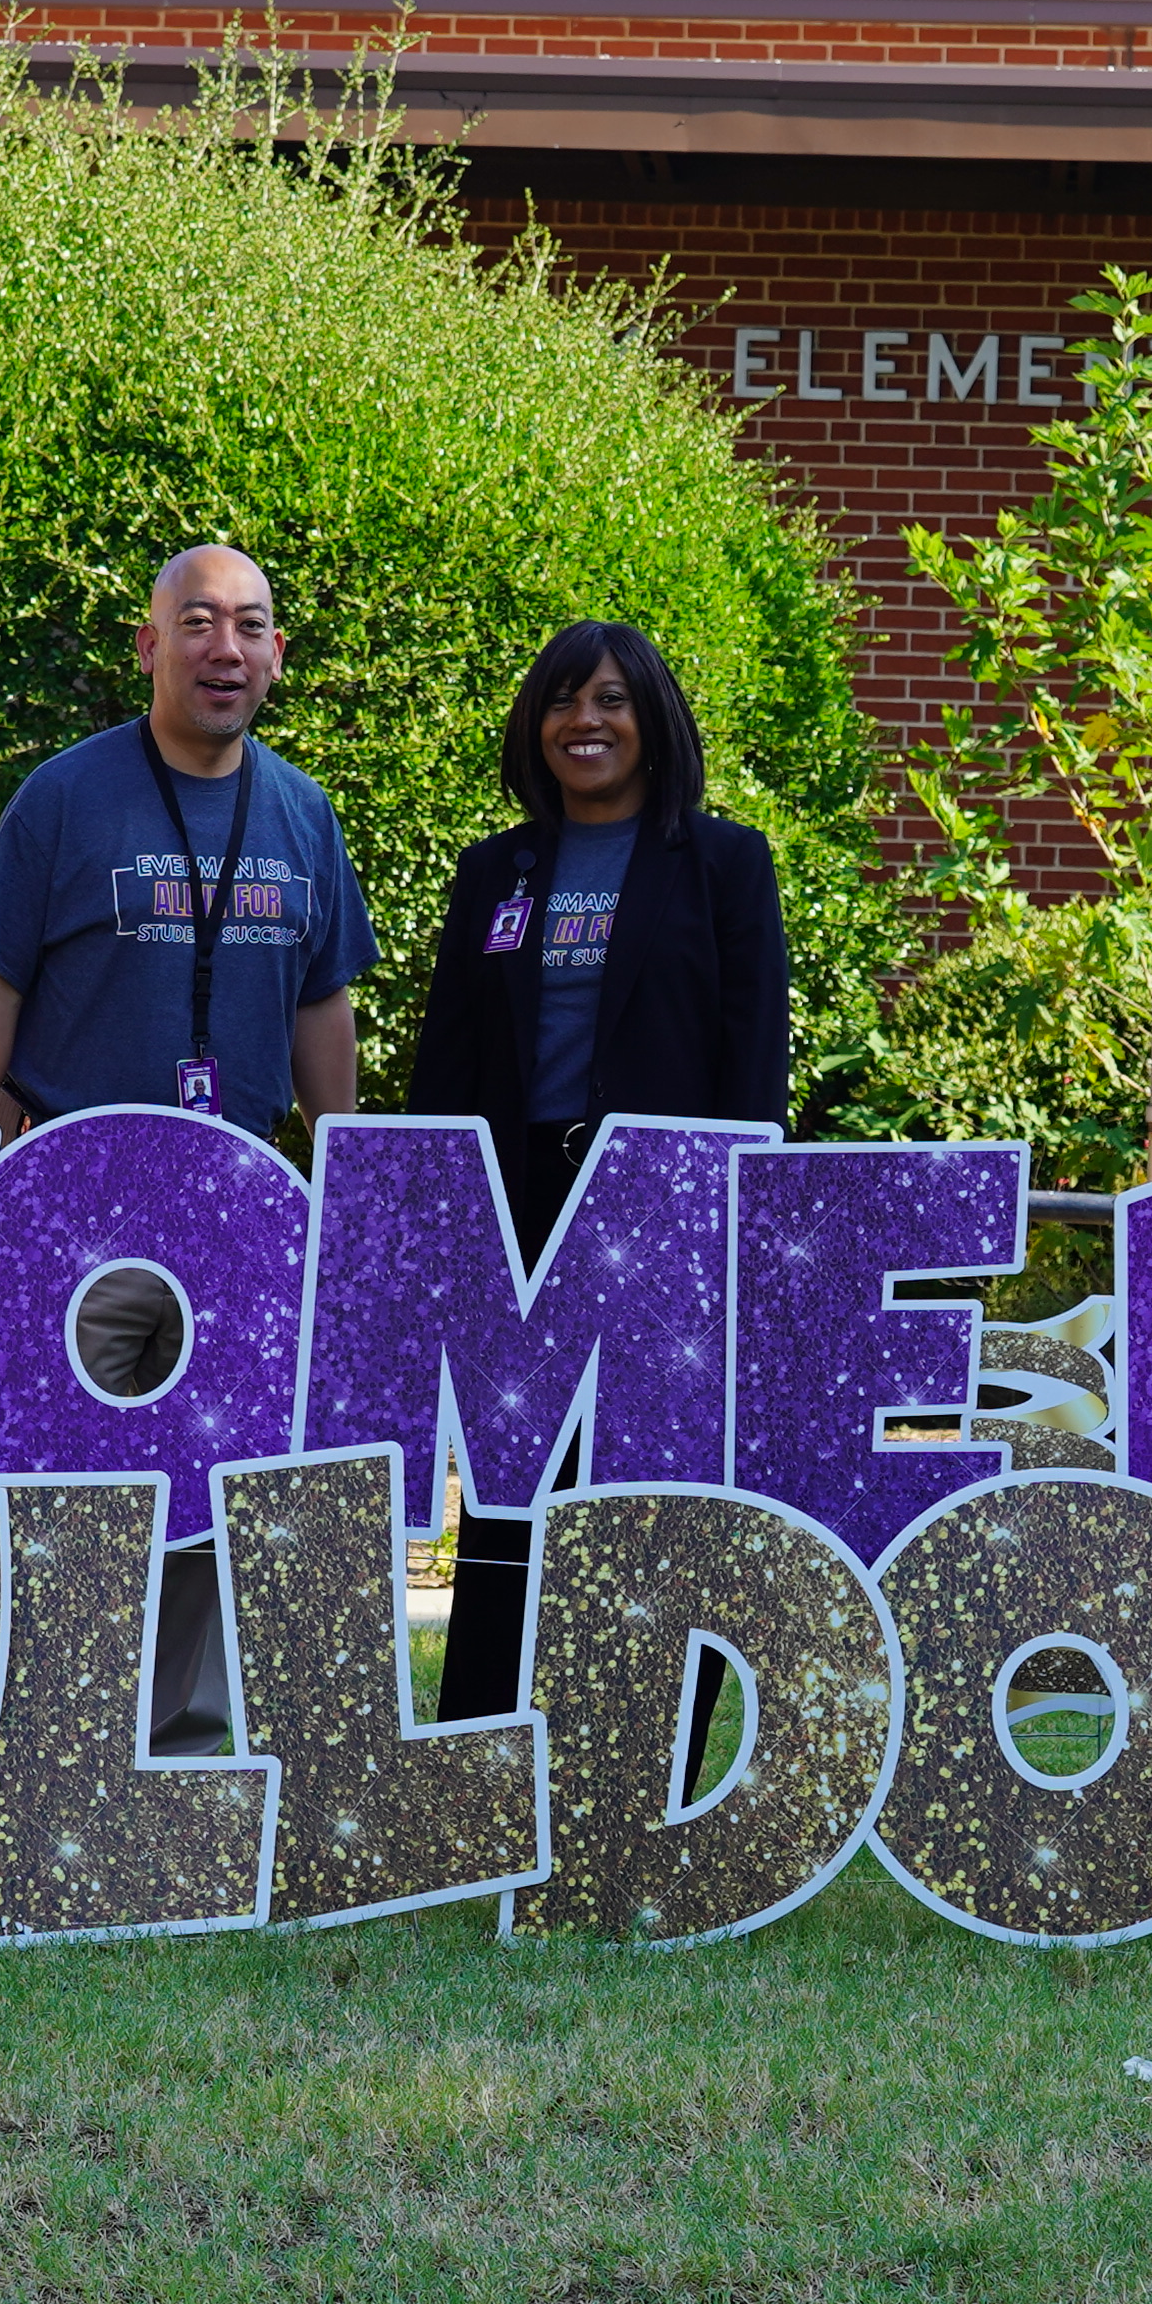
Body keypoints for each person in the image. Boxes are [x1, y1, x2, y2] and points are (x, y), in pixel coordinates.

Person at [0, 543, 375, 1747]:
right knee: (74, 1484)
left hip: (240, 1220)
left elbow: (321, 1002)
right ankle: (51, 1746)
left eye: (250, 625)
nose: (223, 648)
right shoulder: (66, 797)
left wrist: (346, 1174)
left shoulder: (301, 810)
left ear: (278, 653)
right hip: (79, 1217)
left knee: (220, 1486)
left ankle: (182, 1756)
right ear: (149, 646)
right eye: (196, 622)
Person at [403, 618, 795, 1722]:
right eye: (566, 699)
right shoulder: (498, 870)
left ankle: (637, 1738)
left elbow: (752, 1057)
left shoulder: (723, 863)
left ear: (655, 720)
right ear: (537, 724)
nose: (587, 721)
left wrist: (736, 1226)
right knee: (508, 1479)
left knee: (649, 1485)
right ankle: (478, 1736)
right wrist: (441, 1215)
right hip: (516, 1206)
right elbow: (449, 1059)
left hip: (661, 1211)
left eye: (613, 700)